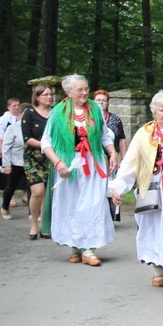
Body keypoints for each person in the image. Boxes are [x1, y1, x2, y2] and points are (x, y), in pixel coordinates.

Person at [110, 90, 163, 300]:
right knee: (152, 227)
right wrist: (119, 187)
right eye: (162, 110)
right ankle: (158, 270)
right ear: (154, 112)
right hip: (151, 187)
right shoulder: (144, 133)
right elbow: (130, 162)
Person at [41, 75, 118, 264]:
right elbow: (46, 142)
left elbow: (104, 135)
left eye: (86, 88)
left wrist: (113, 153)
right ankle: (75, 246)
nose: (84, 93)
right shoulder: (58, 112)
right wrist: (58, 163)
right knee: (72, 204)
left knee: (93, 203)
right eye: (80, 90)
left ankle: (89, 249)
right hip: (69, 164)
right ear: (69, 92)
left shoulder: (95, 109)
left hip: (93, 162)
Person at [21, 85, 53, 239]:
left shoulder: (55, 113)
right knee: (38, 191)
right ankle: (34, 223)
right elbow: (27, 138)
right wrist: (45, 145)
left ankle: (46, 225)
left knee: (48, 192)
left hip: (51, 157)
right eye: (45, 94)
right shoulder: (29, 113)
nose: (49, 97)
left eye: (50, 94)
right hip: (33, 157)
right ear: (37, 96)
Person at [93, 90, 128, 221]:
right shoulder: (91, 118)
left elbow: (122, 139)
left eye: (104, 100)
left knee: (110, 187)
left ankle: (109, 216)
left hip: (111, 159)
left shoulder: (115, 119)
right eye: (98, 100)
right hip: (95, 158)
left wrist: (124, 159)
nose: (101, 102)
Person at [1, 104, 29, 220]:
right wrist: (6, 164)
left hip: (30, 162)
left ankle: (33, 212)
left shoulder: (33, 127)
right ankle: (5, 207)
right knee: (11, 186)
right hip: (15, 162)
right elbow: (6, 147)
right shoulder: (12, 128)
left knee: (32, 188)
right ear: (20, 114)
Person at [0, 97, 21, 190]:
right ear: (8, 107)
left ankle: (24, 195)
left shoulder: (22, 117)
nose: (16, 107)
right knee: (10, 175)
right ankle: (11, 197)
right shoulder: (3, 119)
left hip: (19, 150)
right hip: (8, 149)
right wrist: (1, 148)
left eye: (18, 105)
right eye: (14, 105)